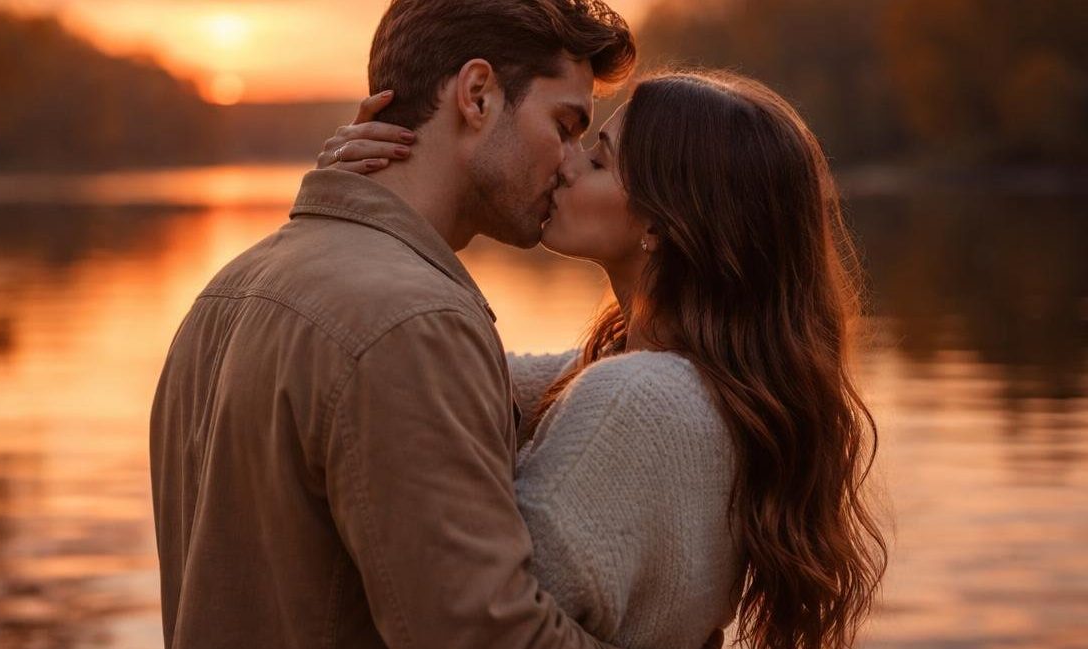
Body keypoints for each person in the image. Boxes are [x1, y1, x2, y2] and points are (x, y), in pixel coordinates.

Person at [319, 69, 889, 649]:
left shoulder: (638, 400)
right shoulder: (684, 383)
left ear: (661, 222)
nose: (566, 163)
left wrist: (350, 212)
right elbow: (425, 368)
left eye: (598, 160)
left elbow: (481, 619)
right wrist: (366, 199)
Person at [148, 0, 638, 647]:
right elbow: (490, 638)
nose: (571, 161)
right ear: (478, 95)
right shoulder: (416, 324)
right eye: (565, 125)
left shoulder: (224, 293)